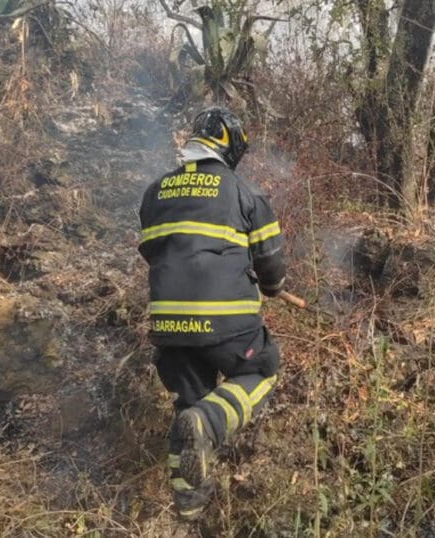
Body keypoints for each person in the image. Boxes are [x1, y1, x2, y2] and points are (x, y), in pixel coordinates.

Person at [137, 107, 286, 520]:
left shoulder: (154, 193)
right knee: (261, 370)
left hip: (168, 326)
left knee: (187, 403)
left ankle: (189, 508)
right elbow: (271, 265)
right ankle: (210, 421)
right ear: (229, 146)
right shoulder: (243, 192)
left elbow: (153, 252)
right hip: (227, 326)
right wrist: (273, 289)